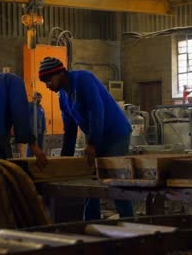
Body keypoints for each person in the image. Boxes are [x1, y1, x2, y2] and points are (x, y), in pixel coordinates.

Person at [38, 57, 133, 220]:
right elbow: (69, 131)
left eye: (48, 80)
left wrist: (92, 144)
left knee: (116, 182)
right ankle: (90, 222)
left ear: (60, 73)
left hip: (115, 134)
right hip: (96, 137)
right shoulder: (63, 97)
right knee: (90, 181)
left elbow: (97, 112)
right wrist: (64, 160)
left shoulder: (83, 79)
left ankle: (130, 222)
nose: (47, 85)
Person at [27, 92, 46, 157]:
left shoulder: (41, 107)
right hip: (32, 131)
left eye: (41, 98)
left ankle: (39, 160)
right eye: (39, 98)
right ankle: (29, 159)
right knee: (31, 147)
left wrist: (44, 128)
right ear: (35, 98)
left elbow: (43, 118)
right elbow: (27, 117)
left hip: (40, 131)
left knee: (39, 147)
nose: (40, 99)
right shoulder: (30, 105)